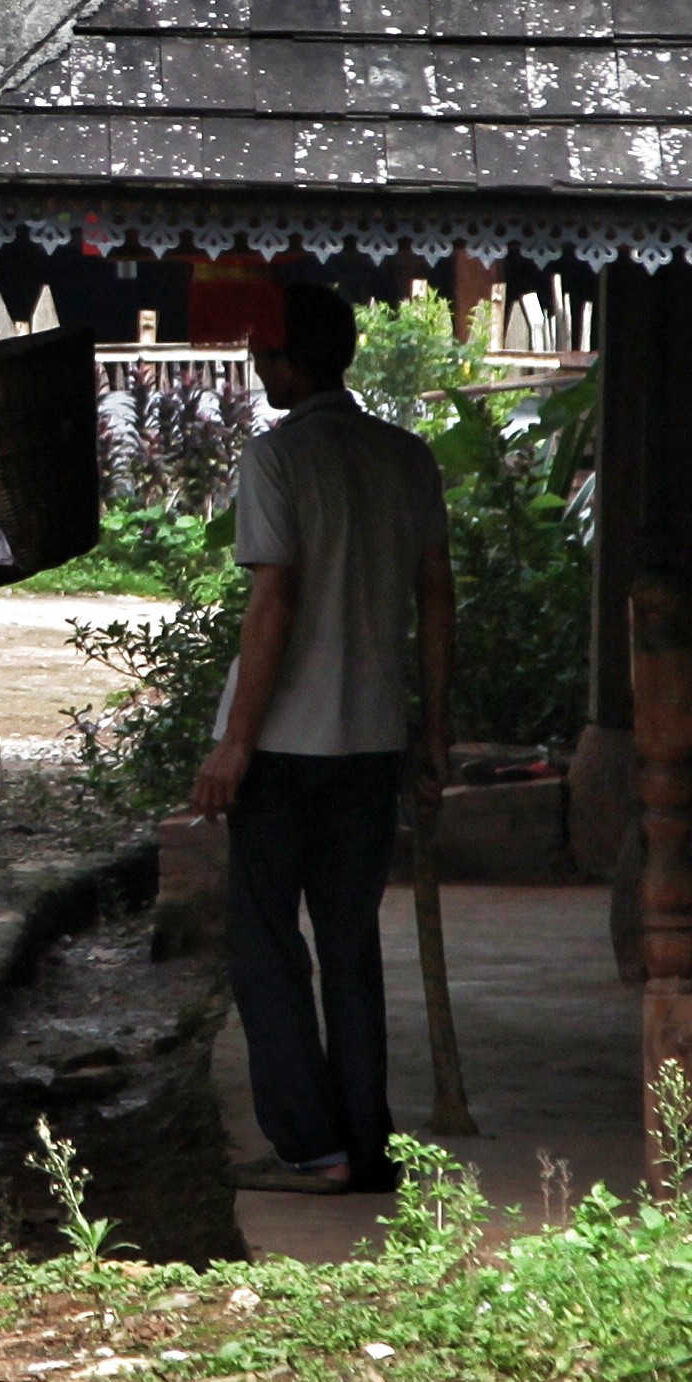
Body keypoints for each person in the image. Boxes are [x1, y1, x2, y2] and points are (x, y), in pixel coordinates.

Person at [181, 283, 454, 1195]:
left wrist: (234, 743)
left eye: (263, 351)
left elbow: (275, 602)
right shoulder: (407, 457)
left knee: (264, 942)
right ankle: (368, 1145)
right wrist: (435, 726)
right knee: (349, 942)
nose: (257, 364)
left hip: (284, 745)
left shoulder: (277, 457)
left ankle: (310, 1145)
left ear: (289, 363)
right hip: (372, 740)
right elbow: (437, 598)